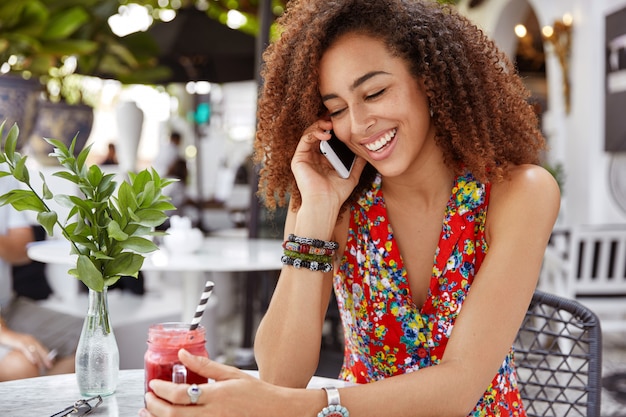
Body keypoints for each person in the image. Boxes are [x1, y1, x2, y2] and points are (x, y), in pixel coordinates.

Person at [141, 1, 560, 416]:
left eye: (374, 92)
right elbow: (281, 376)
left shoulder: (519, 194)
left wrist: (299, 406)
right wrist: (318, 213)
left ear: (430, 82)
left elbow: (459, 387)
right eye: (337, 109)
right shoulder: (336, 201)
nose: (358, 124)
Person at [0, 171, 82, 381]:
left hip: (8, 306)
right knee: (22, 366)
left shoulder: (4, 174)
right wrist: (9, 337)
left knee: (90, 338)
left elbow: (22, 249)